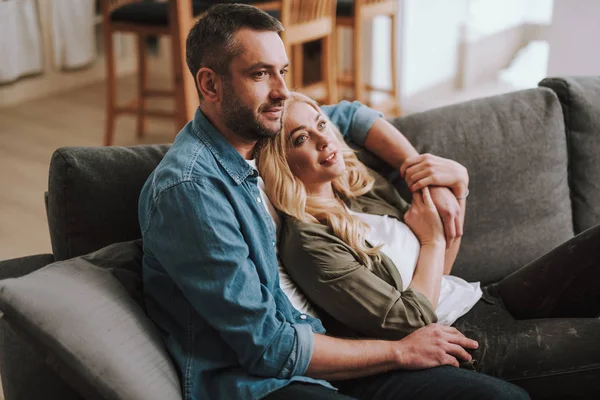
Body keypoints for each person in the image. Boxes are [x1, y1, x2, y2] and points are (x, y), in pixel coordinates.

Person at [138, 4, 529, 400]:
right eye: (260, 73)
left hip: (328, 355)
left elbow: (348, 115)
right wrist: (399, 351)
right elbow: (269, 347)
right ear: (210, 85)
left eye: (283, 72)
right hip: (260, 385)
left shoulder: (258, 130)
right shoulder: (192, 191)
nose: (281, 91)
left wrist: (421, 171)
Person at [258, 91, 600, 397]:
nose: (323, 138)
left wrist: (458, 195)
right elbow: (410, 320)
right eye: (301, 138)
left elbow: (440, 274)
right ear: (279, 162)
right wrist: (432, 240)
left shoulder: (356, 187)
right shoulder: (309, 242)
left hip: (480, 298)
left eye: (321, 123)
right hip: (459, 338)